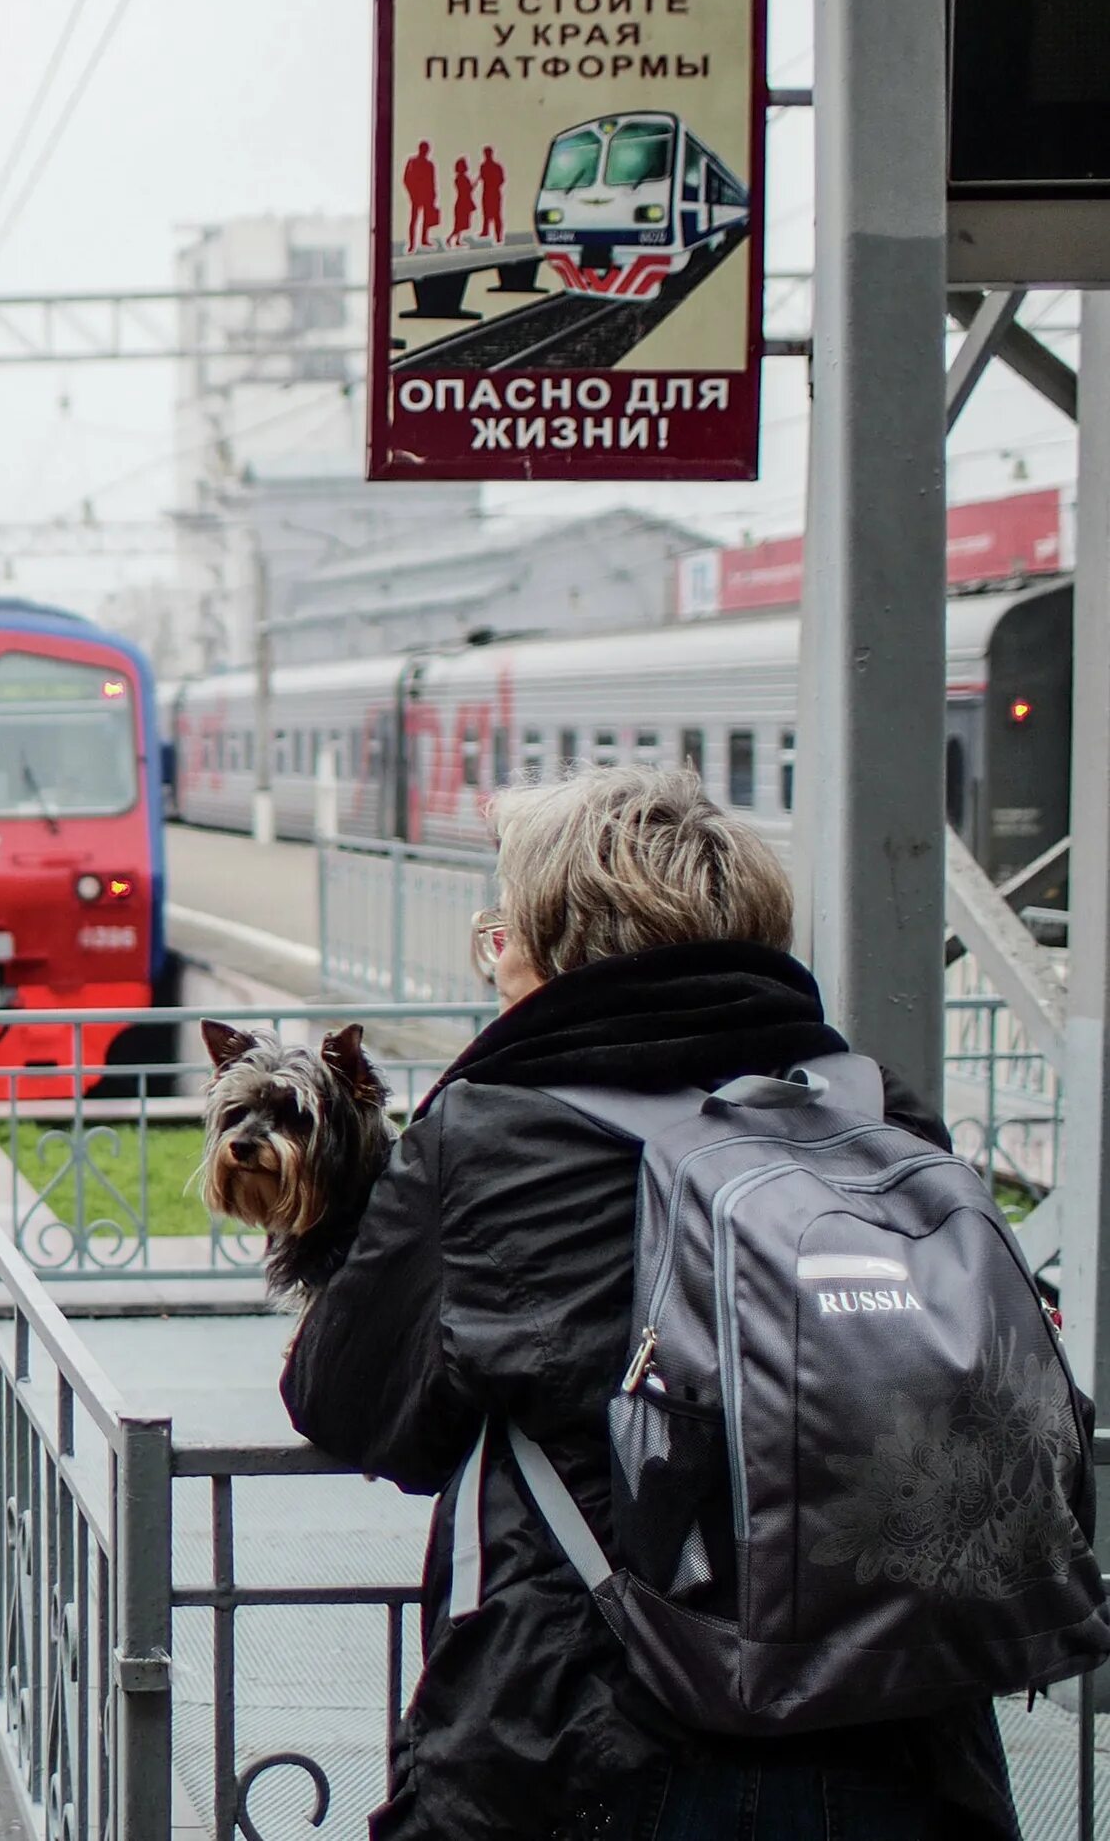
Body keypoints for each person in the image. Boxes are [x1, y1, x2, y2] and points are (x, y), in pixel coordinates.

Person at [280, 768, 1024, 1840]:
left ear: (551, 946)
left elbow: (349, 1402)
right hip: (898, 1735)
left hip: (581, 1742)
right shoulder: (875, 1104)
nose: (494, 961)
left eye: (500, 932)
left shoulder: (495, 1134)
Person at [404, 139, 439, 250]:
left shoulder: (430, 164)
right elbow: (406, 179)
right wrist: (412, 193)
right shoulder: (412, 161)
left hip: (427, 195)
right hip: (416, 195)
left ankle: (424, 240)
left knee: (426, 219)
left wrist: (433, 195)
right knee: (414, 219)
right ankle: (412, 244)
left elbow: (432, 181)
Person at [477, 144, 506, 244]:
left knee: (496, 214)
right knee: (486, 213)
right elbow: (481, 177)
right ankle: (486, 231)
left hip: (494, 192)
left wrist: (494, 185)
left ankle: (498, 235)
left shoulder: (496, 166)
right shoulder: (483, 166)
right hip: (487, 192)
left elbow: (502, 179)